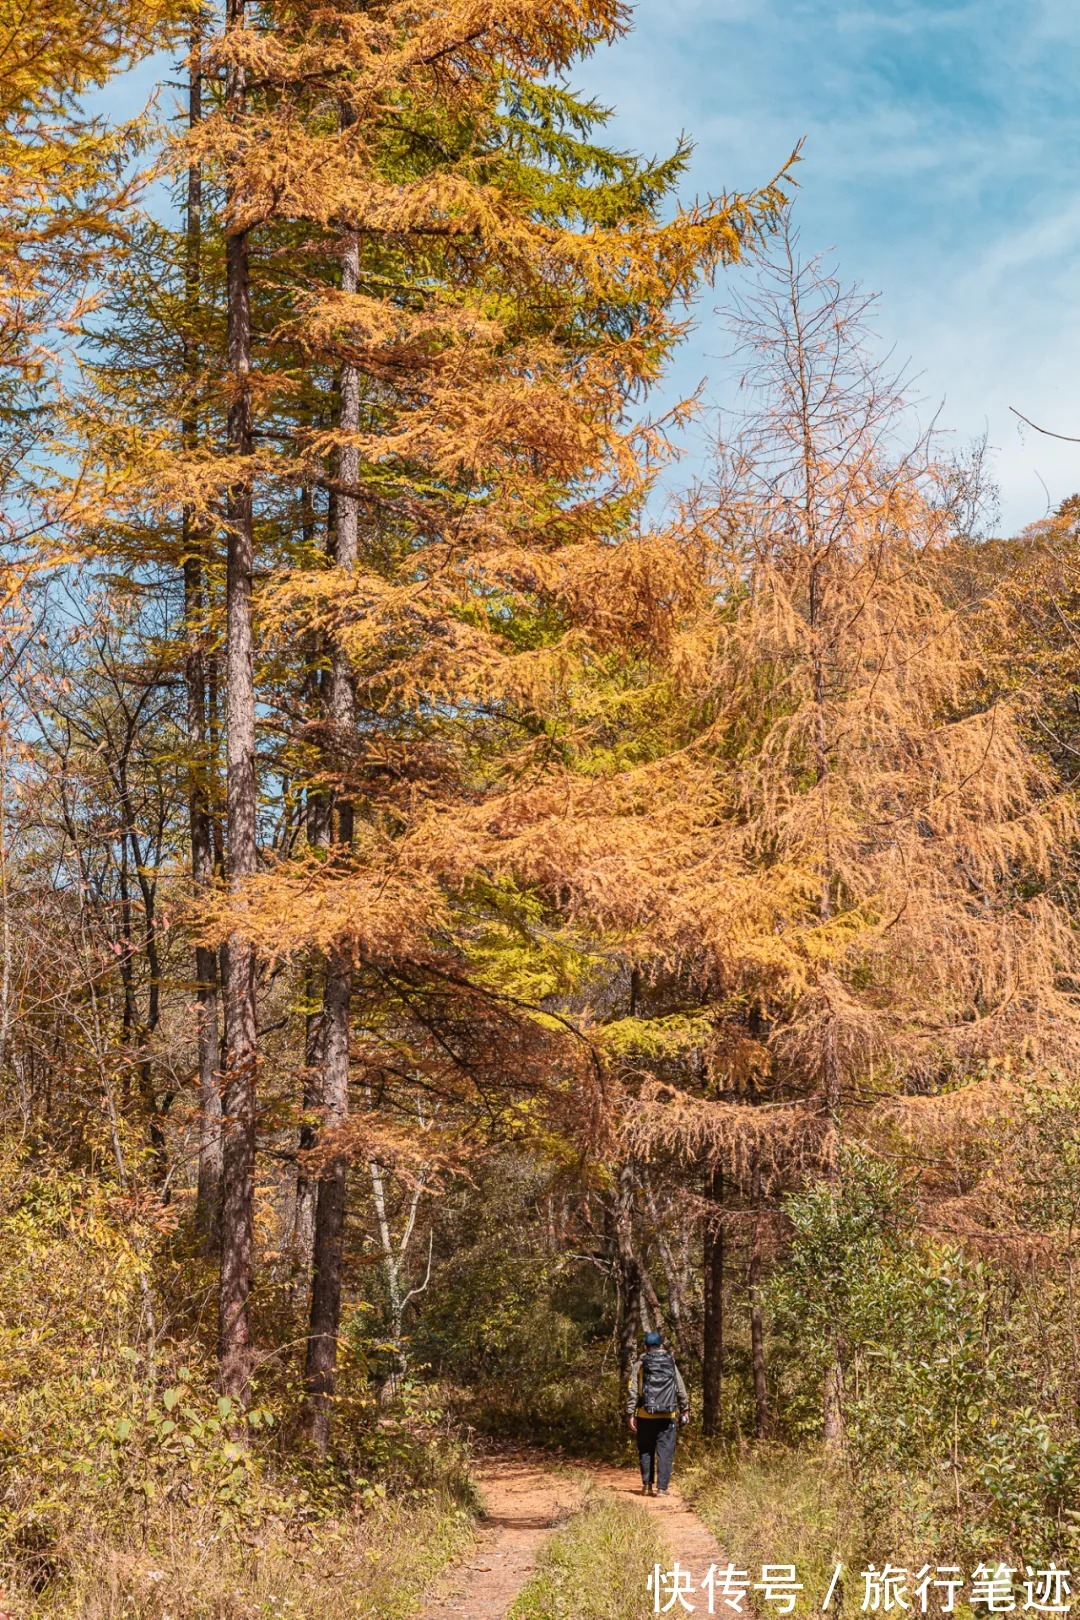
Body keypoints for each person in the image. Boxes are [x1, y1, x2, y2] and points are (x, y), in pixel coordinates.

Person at [626, 1330, 690, 1497]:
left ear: (645, 1346)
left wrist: (630, 1413)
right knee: (666, 1451)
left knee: (646, 1450)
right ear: (661, 1345)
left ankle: (647, 1486)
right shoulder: (670, 1363)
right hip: (667, 1416)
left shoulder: (639, 1365)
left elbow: (632, 1391)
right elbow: (680, 1389)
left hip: (645, 1415)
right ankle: (662, 1489)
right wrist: (685, 1409)